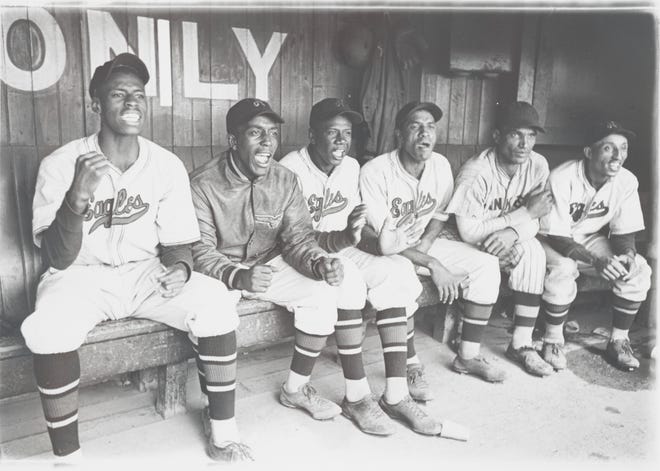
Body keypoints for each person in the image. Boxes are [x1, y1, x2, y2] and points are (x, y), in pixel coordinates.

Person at [20, 53, 251, 462]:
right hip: (79, 275)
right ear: (96, 105)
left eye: (138, 94)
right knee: (47, 329)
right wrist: (76, 198)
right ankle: (67, 458)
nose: (131, 102)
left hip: (146, 274)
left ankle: (223, 436)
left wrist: (180, 269)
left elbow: (180, 242)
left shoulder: (165, 164)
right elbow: (57, 256)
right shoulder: (59, 164)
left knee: (215, 302)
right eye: (118, 93)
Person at [281, 98, 444, 436]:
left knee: (397, 270)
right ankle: (357, 396)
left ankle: (396, 395)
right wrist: (346, 242)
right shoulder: (290, 169)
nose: (342, 141)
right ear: (312, 135)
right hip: (304, 251)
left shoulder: (351, 167)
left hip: (342, 246)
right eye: (332, 133)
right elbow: (291, 237)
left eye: (347, 133)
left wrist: (376, 242)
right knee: (350, 282)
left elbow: (355, 227)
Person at [190, 98, 348, 437]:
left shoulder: (285, 179)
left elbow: (298, 239)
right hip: (221, 270)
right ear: (234, 141)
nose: (267, 143)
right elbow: (199, 250)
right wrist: (236, 275)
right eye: (255, 133)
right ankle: (214, 410)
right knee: (211, 313)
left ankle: (295, 389)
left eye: (273, 133)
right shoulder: (203, 182)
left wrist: (319, 264)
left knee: (321, 293)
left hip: (266, 263)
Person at [360, 101, 505, 383]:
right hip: (385, 249)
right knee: (402, 278)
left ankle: (468, 356)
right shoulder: (375, 171)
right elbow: (385, 241)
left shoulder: (439, 165)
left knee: (486, 265)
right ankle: (410, 365)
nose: (424, 134)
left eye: (430, 127)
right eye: (415, 126)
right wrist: (432, 264)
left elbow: (440, 214)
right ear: (399, 135)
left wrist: (426, 248)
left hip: (421, 244)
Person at [446, 102, 555, 377]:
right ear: (497, 136)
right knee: (485, 259)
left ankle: (521, 344)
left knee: (533, 252)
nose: (524, 143)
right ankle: (466, 340)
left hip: (506, 238)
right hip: (464, 239)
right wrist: (523, 215)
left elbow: (539, 220)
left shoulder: (538, 165)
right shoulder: (476, 171)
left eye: (531, 135)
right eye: (516, 134)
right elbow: (468, 231)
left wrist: (514, 233)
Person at [538, 120, 652, 371]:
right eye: (609, 148)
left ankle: (618, 341)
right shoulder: (562, 177)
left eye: (623, 148)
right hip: (549, 238)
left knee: (638, 269)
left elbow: (624, 231)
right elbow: (557, 235)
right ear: (589, 152)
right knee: (564, 268)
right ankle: (553, 340)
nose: (618, 155)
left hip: (588, 238)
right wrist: (597, 260)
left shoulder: (626, 181)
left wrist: (628, 255)